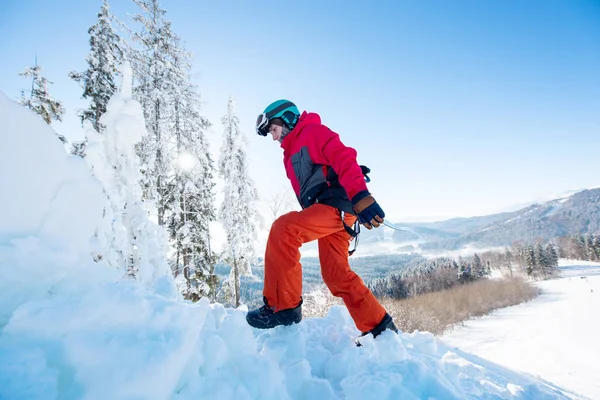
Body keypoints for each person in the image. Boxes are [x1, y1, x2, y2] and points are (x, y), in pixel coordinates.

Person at [246, 99, 398, 339]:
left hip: (335, 206)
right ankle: (381, 328)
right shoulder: (290, 152)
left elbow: (344, 157)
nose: (274, 138)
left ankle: (282, 307)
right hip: (333, 213)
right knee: (336, 275)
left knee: (284, 229)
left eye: (274, 130)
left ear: (287, 119)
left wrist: (360, 194)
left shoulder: (312, 132)